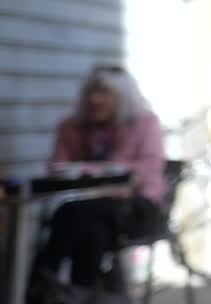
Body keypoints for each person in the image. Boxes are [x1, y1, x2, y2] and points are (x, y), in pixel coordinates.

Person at [28, 64, 167, 301]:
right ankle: (81, 292)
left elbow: (149, 168)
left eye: (105, 93)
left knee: (77, 214)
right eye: (92, 92)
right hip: (88, 210)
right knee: (92, 227)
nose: (96, 99)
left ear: (123, 98)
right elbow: (57, 168)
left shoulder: (145, 123)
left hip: (135, 208)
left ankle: (43, 280)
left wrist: (91, 170)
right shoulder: (72, 126)